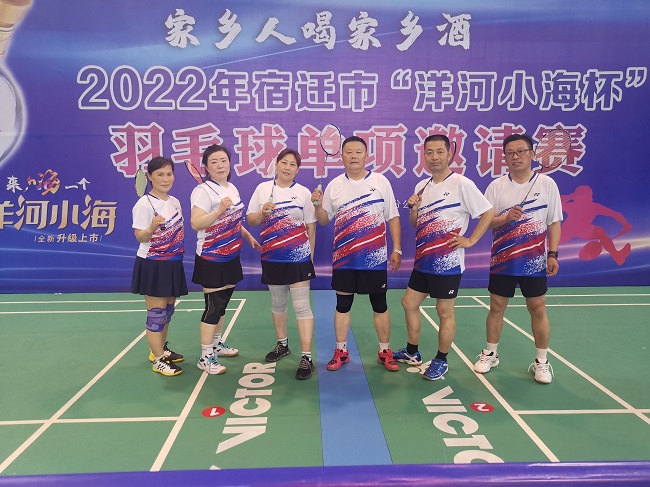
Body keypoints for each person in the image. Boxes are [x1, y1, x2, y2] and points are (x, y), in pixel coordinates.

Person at [395, 135, 494, 380]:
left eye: (440, 151)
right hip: (423, 261)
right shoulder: (422, 186)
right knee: (409, 303)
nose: (434, 157)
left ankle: (441, 359)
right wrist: (414, 209)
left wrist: (470, 240)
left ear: (450, 154)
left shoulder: (462, 183)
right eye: (429, 152)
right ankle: (412, 352)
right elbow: (415, 222)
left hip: (447, 263)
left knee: (444, 310)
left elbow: (488, 212)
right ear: (424, 156)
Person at [473, 133, 562, 384]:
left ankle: (542, 361)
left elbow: (554, 222)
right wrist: (506, 218)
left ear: (532, 154)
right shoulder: (496, 186)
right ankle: (490, 353)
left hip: (534, 261)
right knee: (496, 307)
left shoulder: (547, 184)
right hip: (503, 260)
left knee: (538, 308)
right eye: (510, 153)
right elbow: (486, 222)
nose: (516, 157)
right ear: (505, 157)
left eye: (521, 151)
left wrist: (553, 254)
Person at [311, 135, 402, 372]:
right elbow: (323, 220)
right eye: (349, 152)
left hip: (375, 259)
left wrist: (397, 248)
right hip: (345, 258)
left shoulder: (380, 181)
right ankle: (341, 350)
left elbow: (393, 217)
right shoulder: (334, 185)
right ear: (341, 156)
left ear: (366, 155)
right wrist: (317, 206)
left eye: (358, 152)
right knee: (343, 305)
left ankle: (384, 351)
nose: (353, 156)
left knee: (380, 304)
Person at [246, 149, 317, 380]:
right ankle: (282, 344)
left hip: (298, 259)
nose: (287, 167)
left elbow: (311, 227)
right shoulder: (262, 189)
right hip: (272, 257)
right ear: (276, 165)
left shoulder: (303, 193)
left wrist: (310, 256)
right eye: (284, 163)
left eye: (292, 164)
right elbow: (251, 220)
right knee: (278, 304)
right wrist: (262, 212)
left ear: (297, 169)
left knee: (302, 307)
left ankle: (306, 357)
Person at [190, 144, 261, 375]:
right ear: (206, 167)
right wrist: (219, 210)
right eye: (214, 162)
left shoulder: (231, 188)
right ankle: (205, 356)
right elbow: (196, 223)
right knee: (213, 307)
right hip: (211, 256)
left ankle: (216, 344)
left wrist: (247, 235)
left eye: (223, 160)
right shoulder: (202, 191)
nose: (220, 165)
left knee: (223, 304)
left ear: (229, 163)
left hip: (231, 254)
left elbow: (233, 219)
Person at [131, 156, 187, 377]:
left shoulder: (175, 202)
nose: (165, 179)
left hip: (173, 263)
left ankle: (161, 350)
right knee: (156, 313)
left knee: (168, 311)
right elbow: (140, 236)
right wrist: (152, 227)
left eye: (169, 174)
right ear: (150, 177)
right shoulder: (144, 204)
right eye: (160, 174)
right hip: (153, 263)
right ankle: (158, 360)